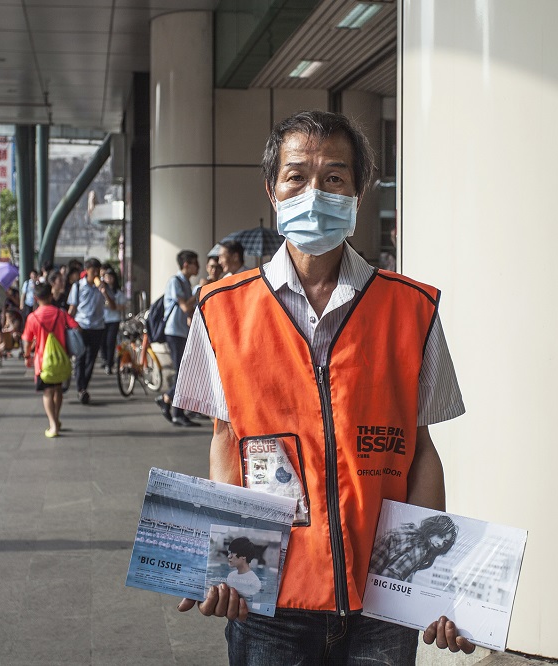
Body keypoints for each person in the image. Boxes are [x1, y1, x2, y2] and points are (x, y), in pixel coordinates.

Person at [173, 110, 471, 662]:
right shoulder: (220, 311)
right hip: (270, 602)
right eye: (297, 176)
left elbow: (422, 451)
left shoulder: (412, 309)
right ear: (272, 190)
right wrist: (226, 559)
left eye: (334, 177)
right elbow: (225, 438)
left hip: (381, 601)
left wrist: (435, 581)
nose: (316, 192)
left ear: (358, 193)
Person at [23, 282, 79, 437]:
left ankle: (53, 425)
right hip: (61, 359)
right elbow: (76, 327)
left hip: (42, 362)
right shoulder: (61, 313)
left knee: (47, 392)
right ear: (51, 295)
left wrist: (27, 356)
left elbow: (27, 340)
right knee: (58, 390)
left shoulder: (32, 317)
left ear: (35, 298)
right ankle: (57, 418)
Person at [156, 250, 200, 427]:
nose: (198, 267)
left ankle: (171, 404)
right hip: (174, 332)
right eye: (195, 263)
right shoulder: (175, 282)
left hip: (182, 331)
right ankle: (173, 408)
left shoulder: (185, 282)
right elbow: (184, 307)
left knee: (185, 372)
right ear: (186, 264)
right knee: (182, 373)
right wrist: (198, 291)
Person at [369, 515, 459, 582]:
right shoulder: (419, 548)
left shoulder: (410, 533)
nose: (440, 543)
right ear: (433, 528)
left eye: (445, 542)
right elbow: (390, 578)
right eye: (440, 536)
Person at [67, 257, 105, 404]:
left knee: (91, 359)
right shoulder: (78, 286)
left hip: (97, 326)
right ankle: (80, 388)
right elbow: (73, 307)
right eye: (92, 270)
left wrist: (103, 290)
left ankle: (84, 386)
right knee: (80, 358)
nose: (95, 273)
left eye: (97, 270)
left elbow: (111, 303)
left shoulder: (102, 286)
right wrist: (67, 323)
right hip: (81, 326)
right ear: (87, 270)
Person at [99, 266, 125, 374]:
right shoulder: (100, 290)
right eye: (106, 277)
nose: (108, 279)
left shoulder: (118, 292)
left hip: (114, 319)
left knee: (110, 342)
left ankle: (110, 363)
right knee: (102, 342)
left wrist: (114, 306)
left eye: (110, 277)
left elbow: (122, 306)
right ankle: (106, 360)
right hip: (102, 319)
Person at [225, 537, 262, 601]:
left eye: (233, 553)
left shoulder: (254, 582)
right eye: (229, 553)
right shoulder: (231, 575)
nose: (229, 556)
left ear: (244, 555)